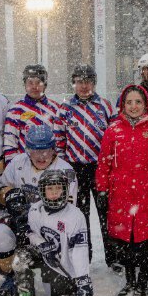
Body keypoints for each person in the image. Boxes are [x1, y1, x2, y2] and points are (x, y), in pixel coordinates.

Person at [95, 84, 148, 296]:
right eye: (129, 102)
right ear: (123, 105)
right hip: (120, 193)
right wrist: (102, 189)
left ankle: (143, 282)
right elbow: (103, 163)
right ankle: (130, 280)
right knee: (125, 239)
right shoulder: (113, 130)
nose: (133, 106)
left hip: (146, 192)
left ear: (145, 104)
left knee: (144, 239)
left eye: (138, 102)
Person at [0, 124, 78, 296]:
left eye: (46, 150)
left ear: (54, 149)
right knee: (0, 234)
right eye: (35, 151)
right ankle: (12, 274)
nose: (41, 156)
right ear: (27, 150)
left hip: (51, 229)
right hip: (20, 224)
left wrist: (35, 220)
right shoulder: (17, 163)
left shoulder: (66, 171)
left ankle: (54, 273)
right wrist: (10, 196)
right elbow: (0, 189)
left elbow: (67, 211)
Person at [57, 64, 118, 268]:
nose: (84, 86)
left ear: (94, 83)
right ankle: (84, 256)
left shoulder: (105, 106)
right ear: (73, 83)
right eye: (80, 82)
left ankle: (113, 258)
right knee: (79, 215)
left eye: (88, 81)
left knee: (106, 213)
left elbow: (116, 138)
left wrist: (112, 165)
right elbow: (59, 140)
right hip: (75, 169)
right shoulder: (65, 108)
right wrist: (63, 167)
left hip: (100, 168)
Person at [11, 170, 92, 296]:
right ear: (42, 190)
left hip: (63, 266)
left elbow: (79, 250)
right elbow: (31, 233)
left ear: (65, 190)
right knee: (21, 257)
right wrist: (42, 244)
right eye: (49, 188)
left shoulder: (75, 216)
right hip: (44, 255)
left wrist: (83, 279)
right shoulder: (35, 209)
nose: (54, 192)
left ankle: (60, 285)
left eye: (58, 188)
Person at [3, 64, 65, 164]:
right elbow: (10, 142)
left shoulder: (56, 109)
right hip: (24, 166)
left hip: (51, 165)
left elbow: (60, 141)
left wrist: (58, 164)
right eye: (30, 83)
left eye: (38, 82)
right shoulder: (16, 110)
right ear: (25, 84)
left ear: (45, 84)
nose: (34, 87)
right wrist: (13, 167)